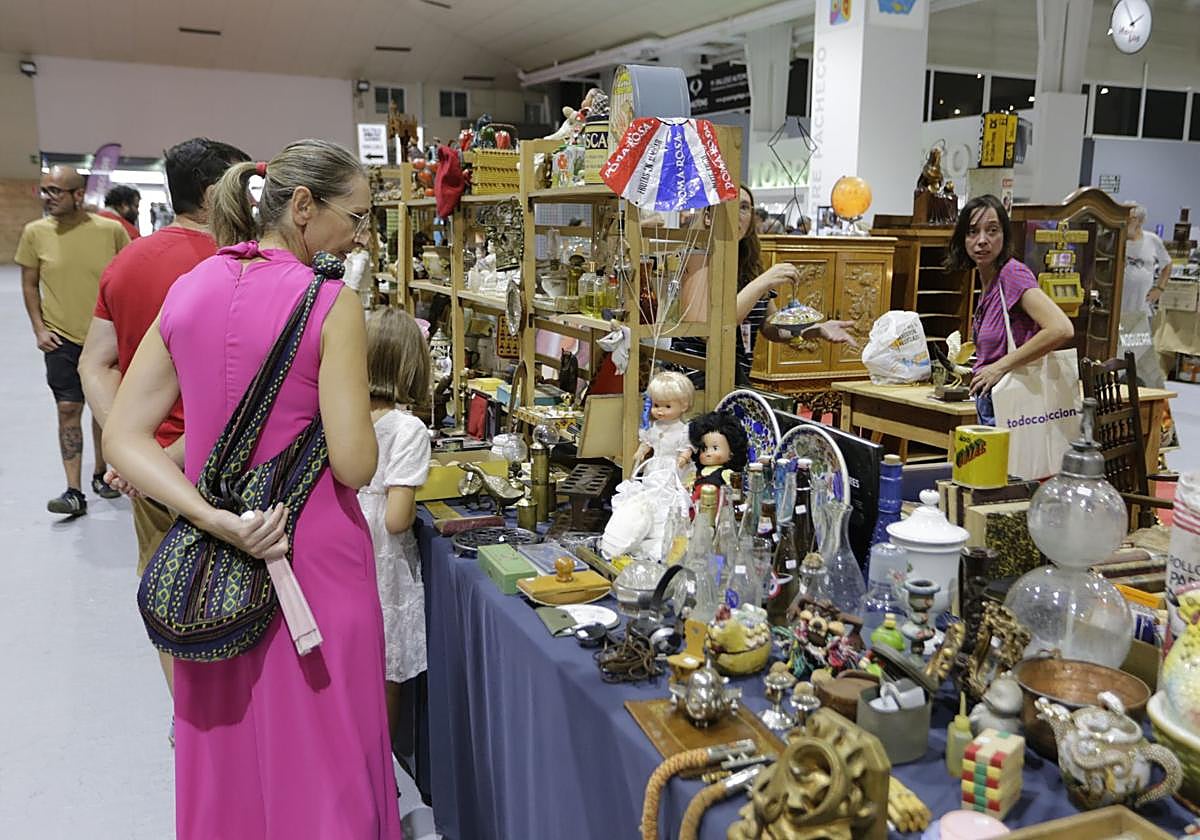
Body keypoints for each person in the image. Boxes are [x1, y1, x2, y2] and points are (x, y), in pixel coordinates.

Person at [103, 139, 401, 838]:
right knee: (328, 764)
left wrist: (212, 517)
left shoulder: (190, 289)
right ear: (303, 206)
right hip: (312, 559)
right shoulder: (331, 303)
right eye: (356, 217)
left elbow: (124, 437)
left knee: (227, 765)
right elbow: (355, 464)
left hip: (219, 566)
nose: (361, 235)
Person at [79, 137, 249, 714]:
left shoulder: (127, 262)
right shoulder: (237, 264)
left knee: (167, 588)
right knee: (246, 595)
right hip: (229, 466)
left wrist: (131, 450)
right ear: (213, 192)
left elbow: (94, 363)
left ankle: (189, 720)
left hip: (152, 477)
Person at [15, 164, 130, 517]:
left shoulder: (110, 231)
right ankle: (73, 491)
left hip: (105, 337)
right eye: (44, 190)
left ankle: (101, 474)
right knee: (68, 408)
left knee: (103, 409)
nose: (47, 197)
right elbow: (29, 284)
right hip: (60, 338)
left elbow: (129, 276)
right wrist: (39, 328)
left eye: (55, 191)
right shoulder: (35, 233)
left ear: (79, 194)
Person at [676, 184, 858, 385]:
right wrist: (762, 282)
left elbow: (770, 326)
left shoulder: (749, 265)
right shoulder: (695, 260)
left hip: (734, 378)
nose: (737, 214)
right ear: (708, 217)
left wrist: (814, 329)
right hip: (693, 381)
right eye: (729, 205)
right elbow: (713, 328)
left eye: (744, 207)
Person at [357, 307, 432, 785]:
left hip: (342, 548)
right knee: (385, 671)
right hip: (381, 561)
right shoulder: (408, 430)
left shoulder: (342, 417)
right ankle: (378, 778)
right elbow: (397, 518)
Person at [947, 194, 1075, 426]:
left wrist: (999, 367)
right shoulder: (989, 281)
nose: (982, 240)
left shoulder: (1012, 275)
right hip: (992, 401)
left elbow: (1061, 328)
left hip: (1011, 403)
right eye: (973, 231)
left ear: (1005, 235)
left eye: (992, 231)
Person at [1121, 203, 1172, 387]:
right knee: (1118, 347)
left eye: (1132, 218)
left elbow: (1167, 264)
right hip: (1118, 307)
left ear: (1140, 221)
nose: (1128, 221)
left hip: (1140, 307)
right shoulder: (1117, 239)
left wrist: (1160, 288)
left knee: (1139, 348)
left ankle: (1139, 383)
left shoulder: (1152, 240)